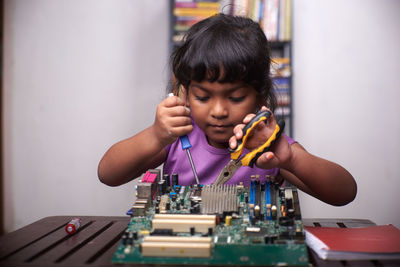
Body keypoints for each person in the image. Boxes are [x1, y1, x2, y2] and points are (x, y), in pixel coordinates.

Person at [98, 14, 357, 206]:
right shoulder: (176, 138)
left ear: (260, 98)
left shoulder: (270, 148)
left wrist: (292, 159)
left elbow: (346, 192)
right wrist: (155, 135)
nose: (219, 111)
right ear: (185, 94)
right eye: (203, 96)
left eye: (235, 97)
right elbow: (107, 174)